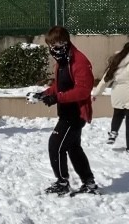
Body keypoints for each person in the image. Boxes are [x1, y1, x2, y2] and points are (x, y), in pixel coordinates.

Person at [32, 26, 98, 196]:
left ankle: (62, 182)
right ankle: (89, 182)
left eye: (59, 43)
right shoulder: (63, 61)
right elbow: (59, 85)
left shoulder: (79, 61)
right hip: (66, 111)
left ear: (67, 41)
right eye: (52, 44)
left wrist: (58, 98)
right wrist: (45, 94)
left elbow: (84, 90)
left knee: (56, 145)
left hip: (75, 113)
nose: (55, 47)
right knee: (73, 147)